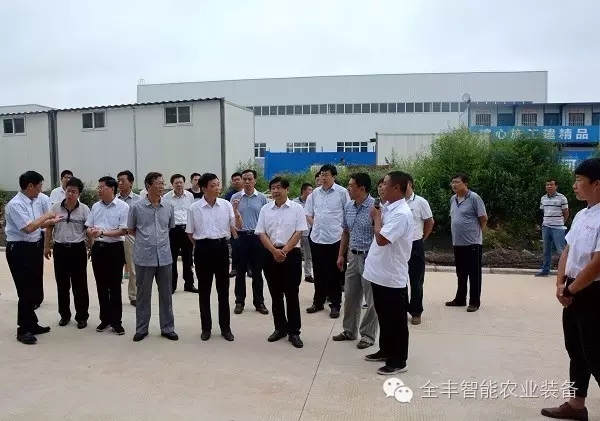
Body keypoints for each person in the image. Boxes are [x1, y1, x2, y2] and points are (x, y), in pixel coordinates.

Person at [541, 158, 600, 420]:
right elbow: (568, 250)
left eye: (579, 180)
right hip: (573, 289)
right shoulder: (582, 214)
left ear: (597, 184)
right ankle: (577, 406)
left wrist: (572, 289)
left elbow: (597, 263)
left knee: (595, 353)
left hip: (593, 293)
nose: (574, 186)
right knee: (576, 349)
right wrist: (559, 283)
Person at [362, 171, 414, 375]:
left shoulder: (402, 214)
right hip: (379, 273)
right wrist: (378, 216)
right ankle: (386, 350)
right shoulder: (388, 208)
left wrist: (376, 219)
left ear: (396, 188)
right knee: (383, 316)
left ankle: (399, 360)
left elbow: (382, 239)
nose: (381, 187)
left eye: (385, 184)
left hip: (391, 276)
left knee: (396, 320)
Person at [4, 171, 60, 344]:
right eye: (39, 186)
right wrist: (47, 216)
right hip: (19, 249)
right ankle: (23, 329)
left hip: (33, 247)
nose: (40, 190)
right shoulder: (16, 204)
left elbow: (36, 225)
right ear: (30, 186)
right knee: (25, 290)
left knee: (34, 288)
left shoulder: (33, 201)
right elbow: (28, 228)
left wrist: (51, 221)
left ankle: (32, 323)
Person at [186, 173, 243, 342]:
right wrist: (202, 245)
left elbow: (237, 227)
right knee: (204, 291)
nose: (217, 188)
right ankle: (206, 328)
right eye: (213, 185)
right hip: (203, 249)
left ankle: (225, 328)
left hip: (221, 248)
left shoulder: (226, 205)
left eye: (218, 184)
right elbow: (190, 233)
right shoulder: (194, 208)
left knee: (223, 291)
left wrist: (236, 213)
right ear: (204, 189)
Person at [255, 176, 308, 348]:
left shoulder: (297, 208)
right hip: (270, 255)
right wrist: (273, 251)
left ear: (287, 189)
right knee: (275, 294)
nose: (275, 191)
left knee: (292, 294)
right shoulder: (265, 209)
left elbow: (299, 231)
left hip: (291, 255)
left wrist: (284, 251)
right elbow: (261, 232)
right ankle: (280, 328)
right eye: (273, 188)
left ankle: (294, 332)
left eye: (279, 187)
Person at [128, 172, 178, 342]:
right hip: (144, 257)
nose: (162, 186)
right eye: (158, 183)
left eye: (162, 183)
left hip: (164, 257)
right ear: (148, 186)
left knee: (166, 294)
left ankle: (168, 328)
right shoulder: (136, 207)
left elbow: (169, 228)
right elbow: (131, 229)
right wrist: (147, 241)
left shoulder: (169, 207)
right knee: (143, 295)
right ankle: (142, 329)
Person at [332, 173, 378, 349]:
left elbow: (380, 234)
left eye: (351, 185)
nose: (348, 188)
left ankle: (367, 335)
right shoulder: (348, 206)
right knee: (351, 296)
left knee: (371, 300)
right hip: (352, 257)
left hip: (370, 258)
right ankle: (349, 330)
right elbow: (345, 231)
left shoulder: (376, 208)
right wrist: (341, 255)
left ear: (362, 188)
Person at [43, 177, 91, 329]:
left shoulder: (84, 209)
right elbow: (49, 227)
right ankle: (64, 315)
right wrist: (46, 246)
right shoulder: (56, 207)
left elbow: (89, 231)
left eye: (73, 191)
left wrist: (92, 248)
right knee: (62, 284)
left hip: (78, 250)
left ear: (79, 194)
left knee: (80, 285)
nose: (70, 194)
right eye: (68, 190)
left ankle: (82, 316)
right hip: (60, 249)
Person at [304, 164, 350, 318]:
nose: (323, 177)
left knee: (334, 273)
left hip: (335, 238)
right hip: (317, 238)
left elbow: (347, 213)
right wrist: (316, 224)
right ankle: (318, 302)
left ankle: (335, 304)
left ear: (334, 177)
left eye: (326, 175)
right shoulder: (314, 194)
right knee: (319, 272)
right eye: (321, 174)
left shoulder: (342, 192)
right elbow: (308, 214)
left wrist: (343, 232)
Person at [86, 176, 129, 335]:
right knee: (101, 285)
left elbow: (123, 230)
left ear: (112, 188)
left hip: (114, 249)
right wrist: (91, 233)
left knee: (115, 286)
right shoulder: (95, 206)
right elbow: (89, 226)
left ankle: (116, 322)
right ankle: (104, 319)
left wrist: (102, 232)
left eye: (101, 187)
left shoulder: (123, 207)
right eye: (98, 187)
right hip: (98, 249)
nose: (99, 190)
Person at [445, 173, 487, 312]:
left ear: (465, 183)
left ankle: (474, 302)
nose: (454, 185)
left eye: (457, 182)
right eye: (452, 182)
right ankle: (460, 299)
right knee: (461, 273)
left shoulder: (474, 198)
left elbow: (483, 218)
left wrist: (476, 233)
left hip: (472, 243)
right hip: (458, 243)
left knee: (474, 274)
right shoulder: (453, 199)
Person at [230, 169, 269, 315]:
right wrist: (235, 237)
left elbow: (266, 219)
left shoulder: (262, 198)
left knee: (257, 272)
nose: (246, 181)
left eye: (249, 179)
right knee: (240, 272)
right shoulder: (235, 197)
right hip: (240, 237)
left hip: (257, 238)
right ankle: (239, 302)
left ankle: (259, 302)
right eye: (244, 179)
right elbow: (230, 218)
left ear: (255, 180)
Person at [405, 174, 434, 325]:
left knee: (416, 280)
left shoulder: (420, 202)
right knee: (399, 279)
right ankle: (403, 308)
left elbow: (429, 221)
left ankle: (416, 311)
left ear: (410, 184)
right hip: (400, 246)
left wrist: (423, 238)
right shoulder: (396, 202)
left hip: (415, 244)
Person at [162, 174, 197, 293]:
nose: (179, 184)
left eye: (181, 182)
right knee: (172, 259)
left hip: (187, 230)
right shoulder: (166, 197)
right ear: (172, 184)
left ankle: (189, 284)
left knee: (188, 259)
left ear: (184, 183)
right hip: (173, 230)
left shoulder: (190, 196)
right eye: (176, 183)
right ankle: (172, 285)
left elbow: (192, 213)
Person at [117, 170, 141, 306]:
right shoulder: (114, 199)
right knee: (115, 267)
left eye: (123, 180)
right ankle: (114, 294)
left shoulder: (139, 200)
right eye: (118, 180)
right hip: (115, 235)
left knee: (133, 267)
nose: (120, 183)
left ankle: (134, 295)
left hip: (130, 235)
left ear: (131, 183)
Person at [536, 179, 569, 277]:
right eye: (547, 185)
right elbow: (543, 211)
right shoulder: (543, 198)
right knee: (546, 250)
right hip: (546, 227)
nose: (549, 186)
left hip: (558, 228)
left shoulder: (562, 198)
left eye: (551, 184)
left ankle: (566, 272)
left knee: (561, 250)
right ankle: (545, 270)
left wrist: (561, 223)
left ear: (556, 186)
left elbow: (566, 212)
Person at [293, 182, 314, 283]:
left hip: (308, 233)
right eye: (310, 190)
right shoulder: (295, 203)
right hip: (296, 233)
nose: (311, 192)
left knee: (308, 255)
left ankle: (308, 274)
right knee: (294, 255)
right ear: (303, 191)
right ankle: (293, 274)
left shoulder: (312, 203)